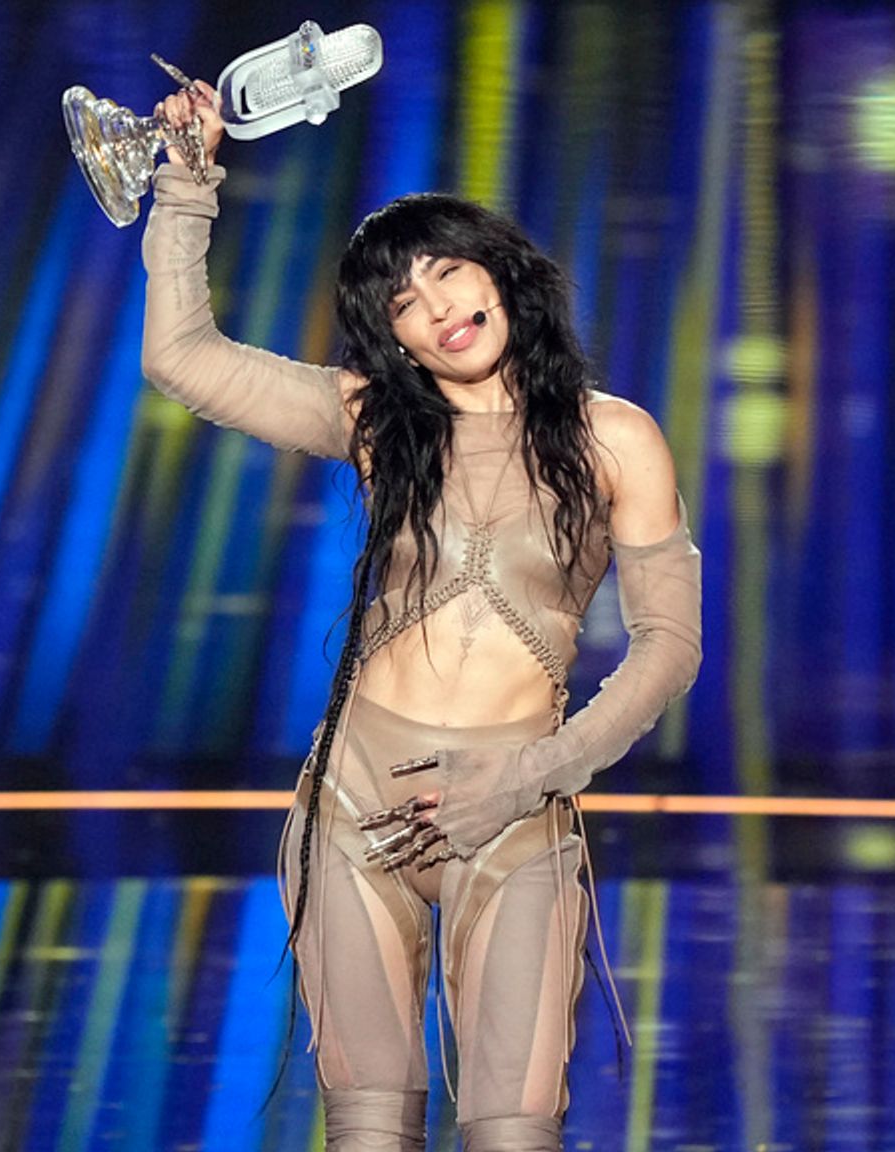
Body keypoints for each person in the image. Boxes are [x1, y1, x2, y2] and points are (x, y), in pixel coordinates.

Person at [141, 82, 702, 1152]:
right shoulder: (371, 421)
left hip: (517, 807)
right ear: (392, 341)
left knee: (511, 1132)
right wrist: (185, 184)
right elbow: (182, 358)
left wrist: (535, 773)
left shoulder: (616, 438)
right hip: (352, 806)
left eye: (447, 270)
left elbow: (669, 646)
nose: (437, 304)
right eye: (402, 301)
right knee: (365, 1128)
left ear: (499, 273)